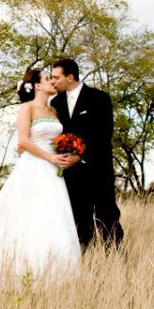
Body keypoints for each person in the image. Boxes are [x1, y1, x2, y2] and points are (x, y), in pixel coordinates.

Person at [0, 69, 81, 290]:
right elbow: (23, 141)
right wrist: (50, 156)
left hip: (54, 174)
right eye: (47, 79)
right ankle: (19, 271)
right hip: (35, 168)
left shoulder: (54, 110)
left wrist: (67, 148)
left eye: (53, 78)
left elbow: (60, 136)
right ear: (37, 86)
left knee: (54, 218)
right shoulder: (27, 108)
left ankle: (55, 275)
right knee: (27, 218)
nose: (52, 82)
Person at [49, 58, 124, 249]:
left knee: (107, 217)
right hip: (72, 175)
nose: (53, 81)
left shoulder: (99, 98)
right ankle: (86, 263)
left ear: (70, 77)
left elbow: (104, 134)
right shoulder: (56, 102)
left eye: (56, 77)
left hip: (98, 170)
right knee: (79, 221)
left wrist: (80, 156)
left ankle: (115, 261)